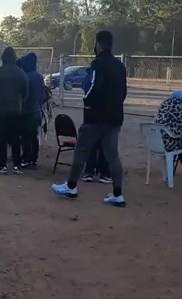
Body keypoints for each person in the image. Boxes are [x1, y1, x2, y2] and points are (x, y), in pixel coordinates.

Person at [52, 30, 128, 207]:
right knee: (112, 155)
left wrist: (88, 103)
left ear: (99, 45)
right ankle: (118, 194)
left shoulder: (98, 64)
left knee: (81, 150)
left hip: (96, 117)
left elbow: (92, 87)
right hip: (115, 117)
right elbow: (123, 92)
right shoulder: (119, 66)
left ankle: (71, 186)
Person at [0, 47, 29, 174]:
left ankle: (2, 165)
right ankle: (17, 165)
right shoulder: (21, 72)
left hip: (1, 108)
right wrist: (20, 102)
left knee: (2, 138)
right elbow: (25, 91)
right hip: (16, 109)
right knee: (16, 138)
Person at [18, 52, 44, 169]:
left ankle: (26, 158)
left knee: (25, 136)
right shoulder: (39, 77)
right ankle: (34, 158)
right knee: (33, 135)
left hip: (26, 110)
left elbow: (22, 94)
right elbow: (43, 95)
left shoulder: (25, 76)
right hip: (36, 110)